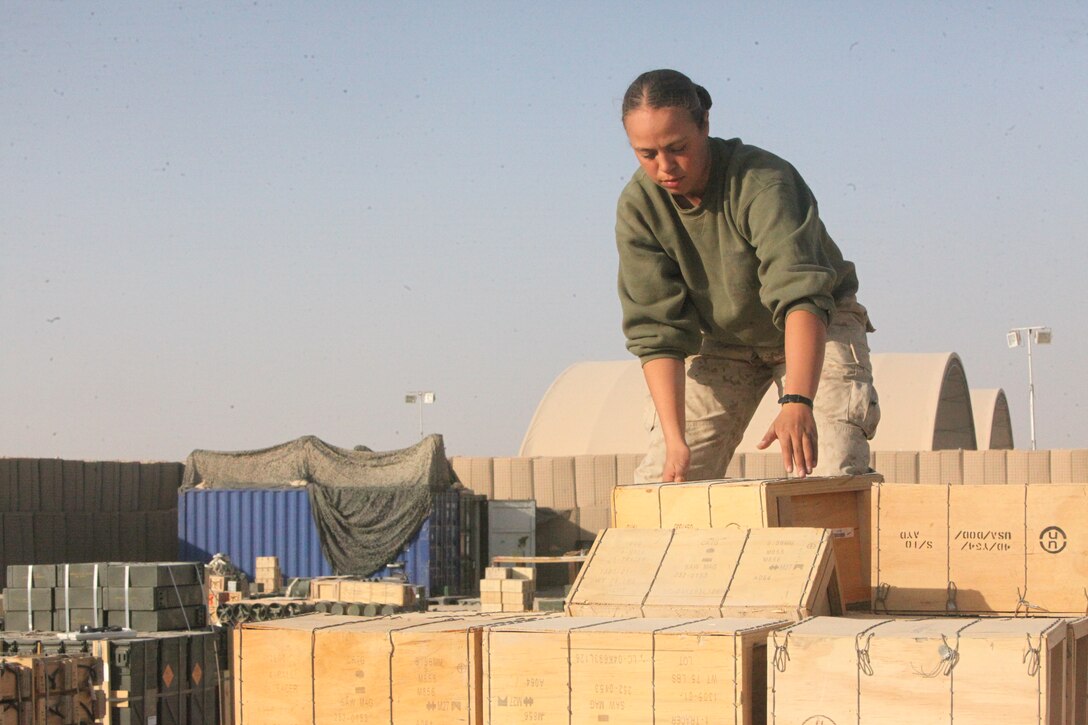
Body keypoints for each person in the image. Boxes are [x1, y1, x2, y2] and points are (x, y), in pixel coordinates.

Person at [616, 69, 880, 483]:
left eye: (677, 148)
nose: (664, 166)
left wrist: (797, 399)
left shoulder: (762, 182)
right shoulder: (639, 207)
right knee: (663, 484)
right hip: (724, 342)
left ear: (705, 124)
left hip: (816, 325)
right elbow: (656, 331)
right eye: (647, 154)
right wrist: (675, 441)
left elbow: (801, 296)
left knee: (830, 476)